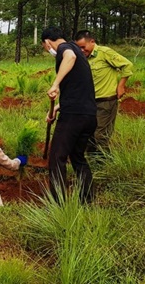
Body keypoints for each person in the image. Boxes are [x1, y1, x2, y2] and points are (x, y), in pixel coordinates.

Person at [42, 27, 97, 204]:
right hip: (88, 115)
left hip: (73, 116)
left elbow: (69, 58)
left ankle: (58, 205)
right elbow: (78, 87)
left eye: (45, 47)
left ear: (47, 42)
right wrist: (58, 107)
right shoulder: (79, 53)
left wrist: (55, 84)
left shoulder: (66, 49)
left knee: (57, 158)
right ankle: (87, 201)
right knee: (78, 158)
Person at [74, 30, 133, 154]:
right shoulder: (81, 58)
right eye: (79, 48)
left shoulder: (104, 53)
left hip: (106, 101)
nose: (82, 51)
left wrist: (121, 85)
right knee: (88, 133)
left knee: (100, 135)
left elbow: (127, 65)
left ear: (92, 42)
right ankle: (91, 159)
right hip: (89, 103)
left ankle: (105, 163)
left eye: (83, 47)